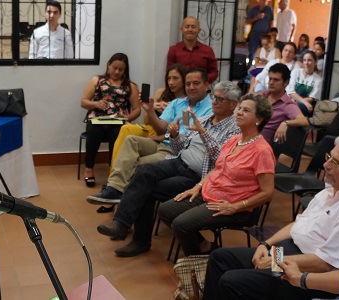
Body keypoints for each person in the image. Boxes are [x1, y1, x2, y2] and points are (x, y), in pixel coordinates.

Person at [202, 135, 339, 300]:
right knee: (221, 258)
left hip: (310, 274)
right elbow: (298, 225)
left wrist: (274, 261)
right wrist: (266, 245)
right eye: (329, 157)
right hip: (289, 252)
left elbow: (325, 264)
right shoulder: (334, 188)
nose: (326, 165)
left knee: (231, 281)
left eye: (335, 162)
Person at [94, 82, 241, 257]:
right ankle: (121, 224)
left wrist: (203, 132)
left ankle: (137, 239)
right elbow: (180, 148)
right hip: (178, 161)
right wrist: (175, 136)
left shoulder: (235, 129)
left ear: (233, 104)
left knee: (146, 188)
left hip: (198, 177)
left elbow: (220, 160)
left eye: (220, 98)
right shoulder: (204, 120)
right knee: (144, 171)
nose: (215, 101)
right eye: (214, 97)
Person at [158, 93, 276, 256]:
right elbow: (218, 168)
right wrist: (197, 186)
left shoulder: (262, 151)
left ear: (259, 119)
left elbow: (268, 193)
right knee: (165, 210)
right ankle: (205, 247)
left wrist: (235, 207)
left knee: (180, 224)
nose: (239, 112)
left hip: (231, 204)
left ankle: (196, 265)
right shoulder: (234, 139)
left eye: (246, 110)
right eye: (239, 108)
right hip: (209, 192)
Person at [87, 77, 230, 211]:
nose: (191, 87)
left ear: (206, 85)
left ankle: (120, 208)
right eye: (188, 84)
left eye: (196, 83)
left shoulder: (211, 109)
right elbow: (161, 127)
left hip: (175, 151)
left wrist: (170, 135)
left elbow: (193, 139)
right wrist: (150, 111)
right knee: (131, 139)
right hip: (165, 142)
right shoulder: (177, 103)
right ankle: (114, 190)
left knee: (136, 166)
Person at [79, 53, 141, 187]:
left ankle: (113, 172)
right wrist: (95, 104)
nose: (117, 72)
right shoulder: (97, 80)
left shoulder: (130, 86)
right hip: (97, 119)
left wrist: (126, 117)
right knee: (94, 133)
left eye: (121, 69)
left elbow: (137, 109)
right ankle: (89, 168)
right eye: (114, 68)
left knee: (118, 135)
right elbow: (83, 102)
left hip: (118, 121)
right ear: (108, 65)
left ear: (125, 70)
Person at [109, 63, 188, 167]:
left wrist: (162, 135)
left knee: (130, 139)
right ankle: (114, 172)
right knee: (126, 129)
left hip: (168, 137)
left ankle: (120, 174)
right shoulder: (161, 93)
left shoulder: (187, 104)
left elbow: (184, 132)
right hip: (153, 128)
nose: (171, 82)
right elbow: (146, 120)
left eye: (175, 78)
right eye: (168, 79)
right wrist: (153, 108)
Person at [260, 63, 309, 143]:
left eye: (276, 80)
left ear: (285, 82)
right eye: (270, 79)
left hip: (261, 147)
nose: (271, 82)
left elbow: (304, 121)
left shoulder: (287, 105)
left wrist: (285, 123)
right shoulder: (260, 95)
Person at [167, 17, 219, 83]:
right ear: (182, 29)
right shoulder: (173, 50)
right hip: (179, 89)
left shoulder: (208, 50)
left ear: (199, 30)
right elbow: (169, 72)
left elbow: (214, 72)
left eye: (193, 27)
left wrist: (202, 81)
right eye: (187, 26)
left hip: (200, 90)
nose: (190, 29)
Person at [286, 50, 322, 116]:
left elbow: (311, 98)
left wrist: (298, 102)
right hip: (292, 101)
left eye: (309, 60)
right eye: (304, 60)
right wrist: (303, 101)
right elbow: (291, 92)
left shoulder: (318, 79)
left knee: (296, 106)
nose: (306, 63)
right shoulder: (296, 72)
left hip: (305, 106)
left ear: (315, 62)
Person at [246, 0, 273, 68]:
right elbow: (247, 21)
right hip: (254, 34)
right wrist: (257, 18)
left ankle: (263, 69)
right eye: (263, 0)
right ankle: (249, 70)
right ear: (259, 1)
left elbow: (271, 21)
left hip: (265, 35)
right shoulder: (253, 9)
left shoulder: (269, 9)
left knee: (265, 53)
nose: (264, 2)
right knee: (252, 53)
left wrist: (270, 33)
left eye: (266, 1)